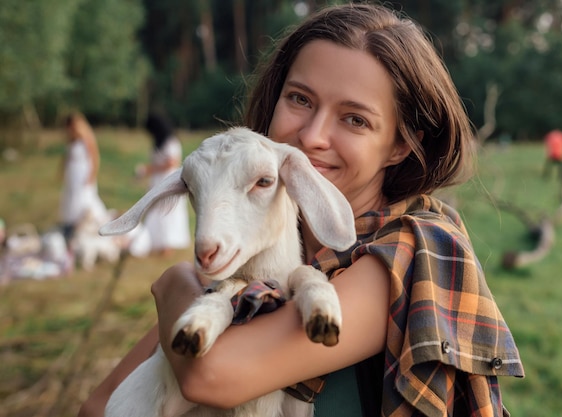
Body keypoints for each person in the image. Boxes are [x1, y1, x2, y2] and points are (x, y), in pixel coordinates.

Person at [78, 4, 524, 417]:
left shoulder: (407, 254)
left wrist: (175, 282)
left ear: (400, 145)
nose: (312, 136)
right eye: (300, 99)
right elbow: (98, 405)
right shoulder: (259, 247)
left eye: (355, 119)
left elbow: (209, 374)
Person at [135, 112, 191, 256]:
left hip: (168, 180)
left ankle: (167, 244)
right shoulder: (158, 143)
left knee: (167, 212)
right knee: (155, 212)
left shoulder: (171, 142)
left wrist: (149, 169)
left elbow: (172, 162)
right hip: (157, 181)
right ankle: (154, 241)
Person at [59, 112, 108, 244]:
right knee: (71, 199)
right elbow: (66, 157)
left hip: (83, 174)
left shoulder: (86, 138)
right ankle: (71, 225)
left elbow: (95, 158)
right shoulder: (72, 140)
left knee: (83, 200)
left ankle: (85, 225)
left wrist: (91, 176)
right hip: (72, 175)